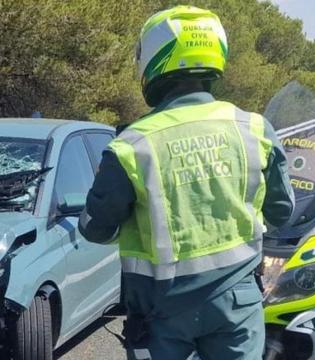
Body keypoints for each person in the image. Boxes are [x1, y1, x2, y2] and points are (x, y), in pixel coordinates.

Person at [78, 6, 295, 360]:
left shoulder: (132, 145)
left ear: (152, 59)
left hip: (160, 311)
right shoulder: (255, 129)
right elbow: (281, 212)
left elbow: (96, 229)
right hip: (236, 304)